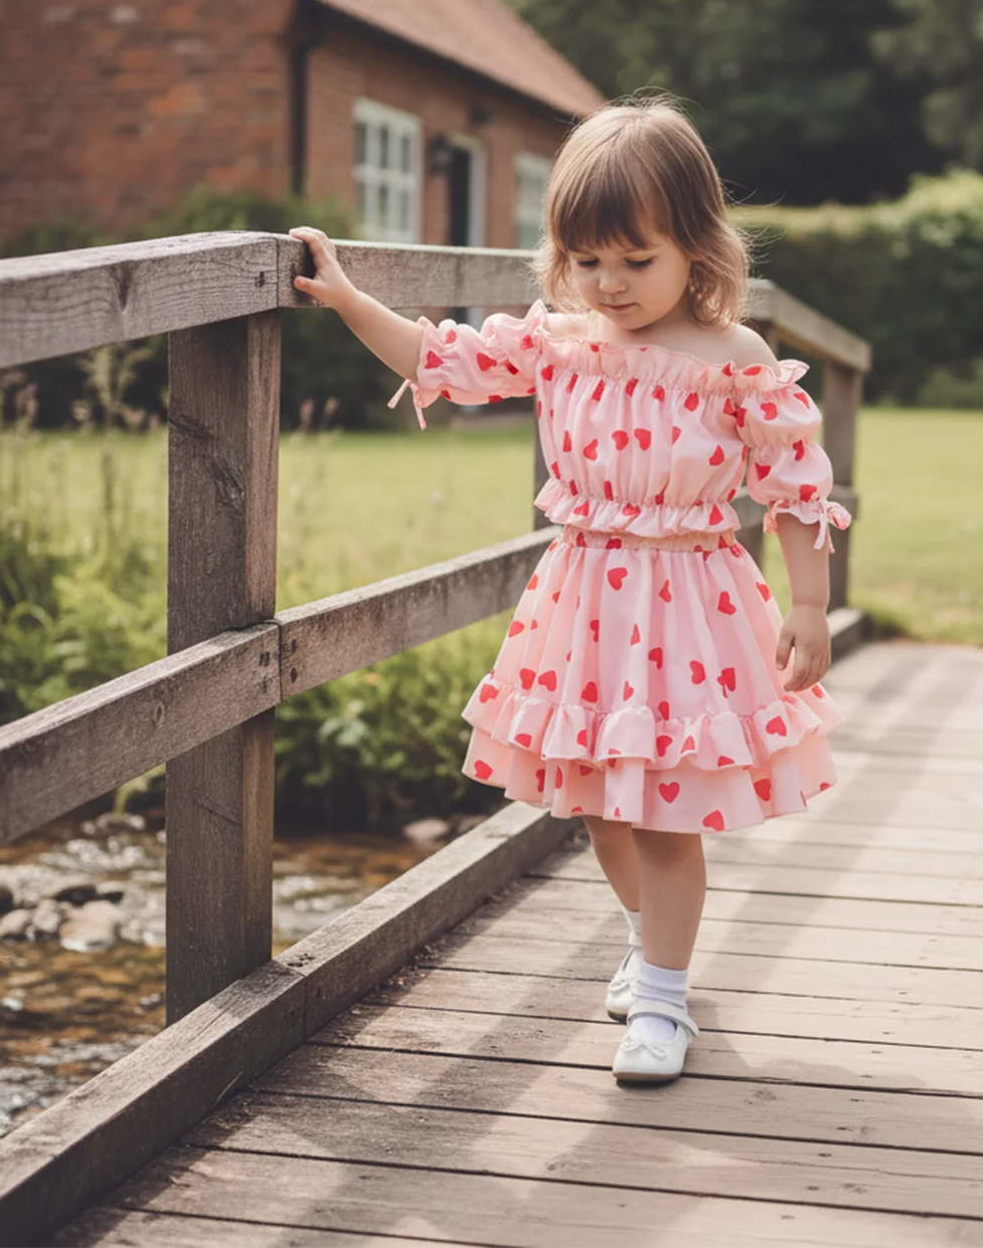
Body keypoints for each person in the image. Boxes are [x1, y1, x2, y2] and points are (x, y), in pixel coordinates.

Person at [288, 94, 850, 1085]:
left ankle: (664, 1002)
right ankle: (647, 943)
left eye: (637, 259)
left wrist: (806, 603)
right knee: (601, 809)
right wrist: (343, 295)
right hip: (586, 603)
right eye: (589, 259)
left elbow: (797, 489)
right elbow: (437, 357)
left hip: (692, 606)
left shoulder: (736, 362)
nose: (611, 282)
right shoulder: (559, 340)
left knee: (669, 811)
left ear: (695, 245)